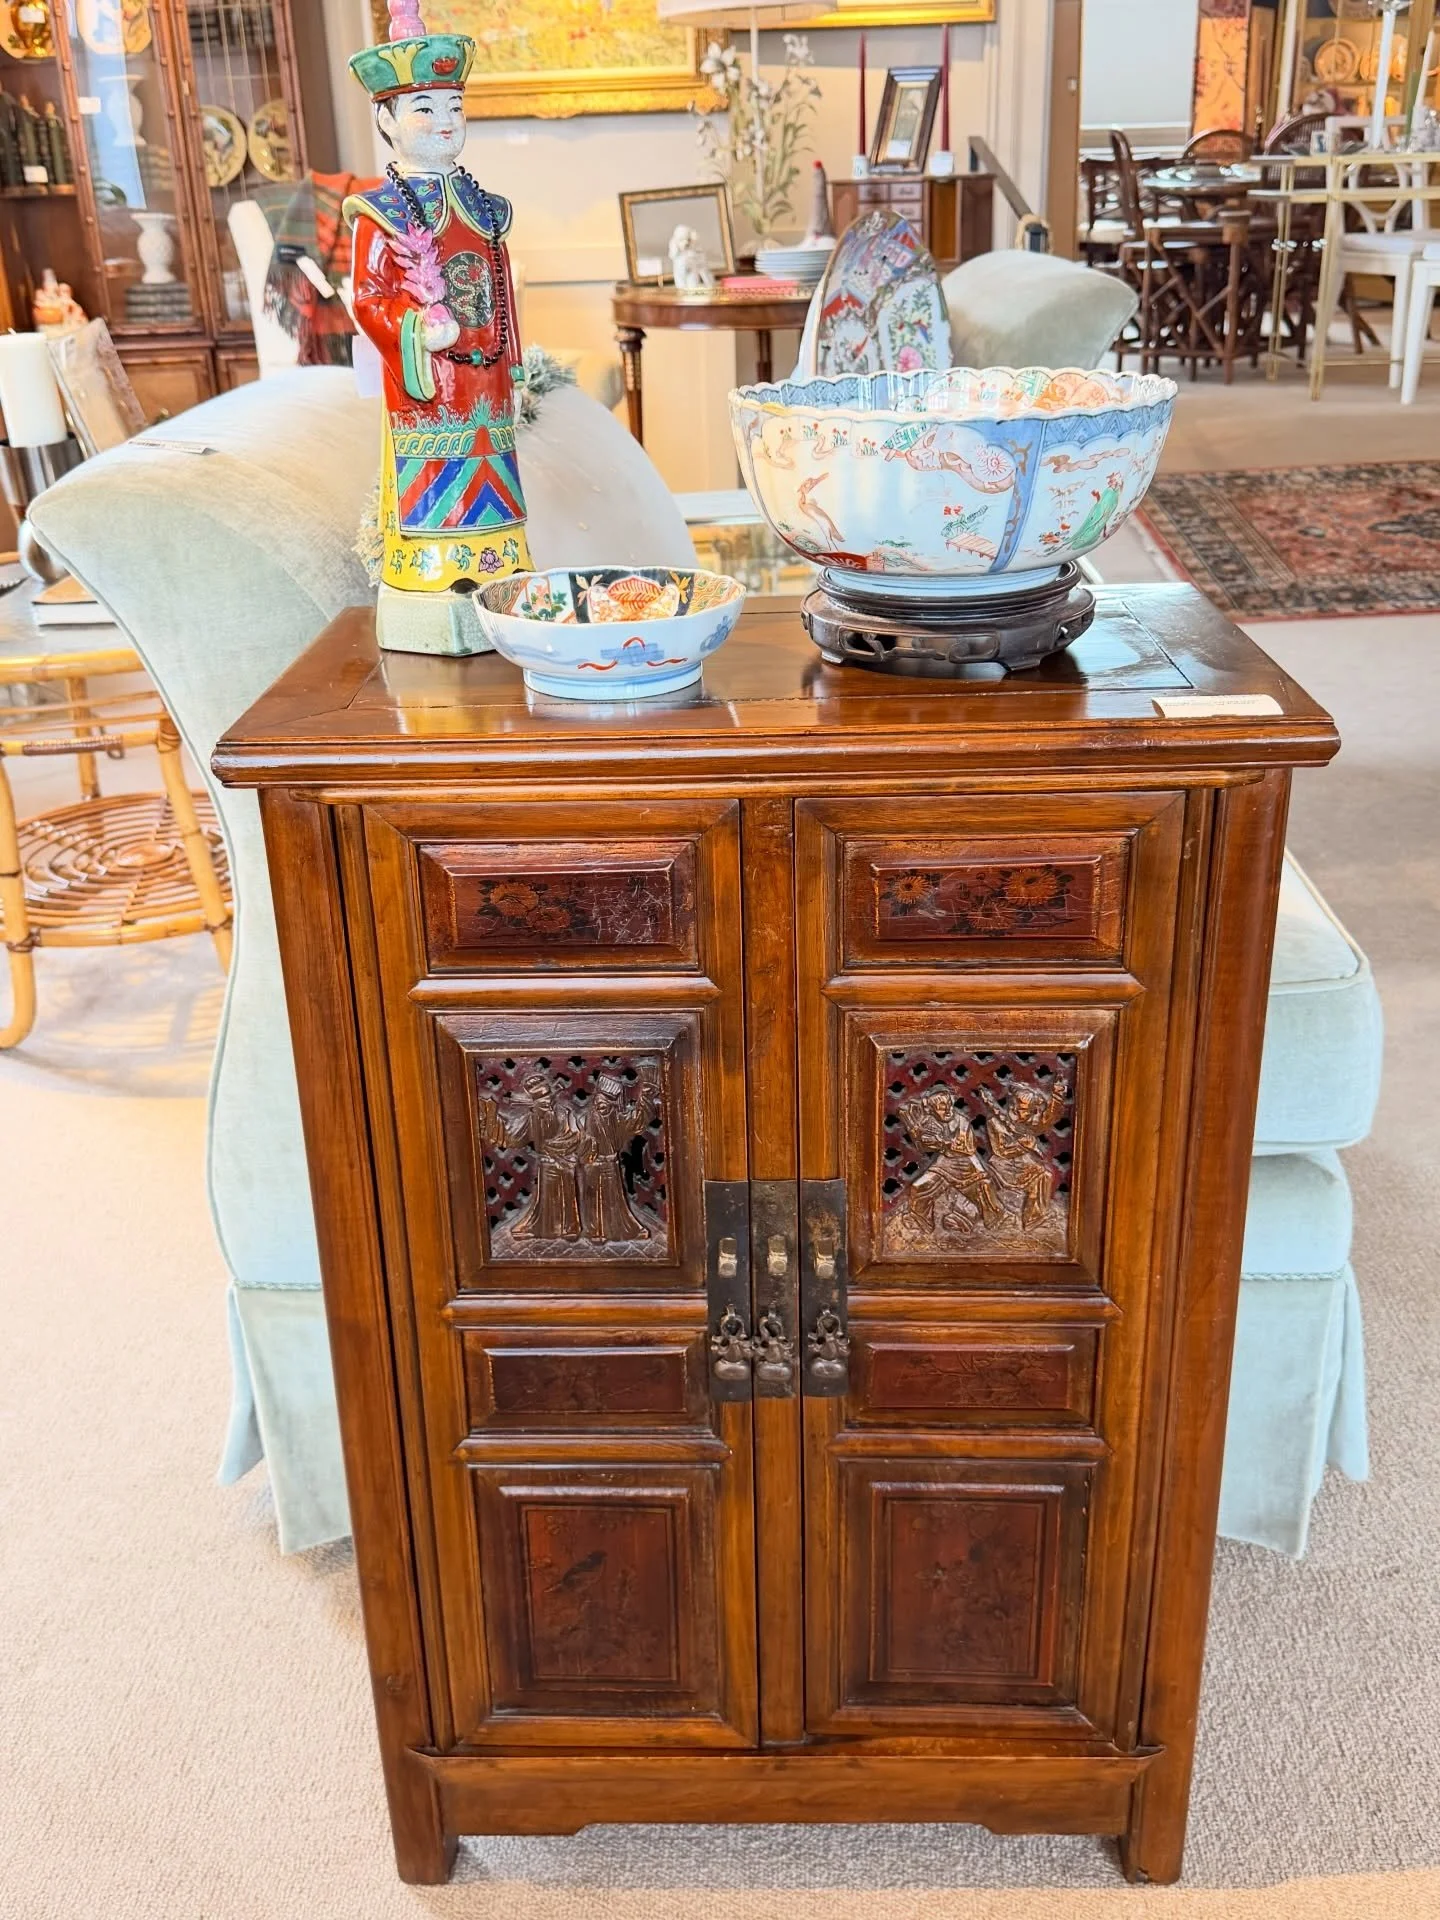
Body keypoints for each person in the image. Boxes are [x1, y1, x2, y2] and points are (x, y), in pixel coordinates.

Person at [347, 0, 530, 656]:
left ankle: (501, 570)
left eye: (455, 106)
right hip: (427, 389)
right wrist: (416, 332)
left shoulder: (486, 208)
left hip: (486, 381)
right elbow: (367, 297)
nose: (446, 121)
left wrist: (514, 365)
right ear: (386, 119)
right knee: (435, 479)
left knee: (492, 468)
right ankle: (429, 575)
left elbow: (502, 291)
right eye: (425, 108)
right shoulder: (380, 213)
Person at [477, 1070, 582, 1244]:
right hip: (547, 1164)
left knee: (567, 1196)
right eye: (541, 1101)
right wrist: (492, 1120)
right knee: (547, 1198)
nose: (546, 1103)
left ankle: (570, 1228)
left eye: (548, 1098)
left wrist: (560, 1147)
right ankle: (546, 1228)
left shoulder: (564, 1112)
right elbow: (514, 1137)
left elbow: (575, 1135)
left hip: (565, 1163)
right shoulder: (532, 1118)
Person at [895, 1089, 1006, 1240]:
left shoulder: (961, 1121)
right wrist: (923, 1139)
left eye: (949, 1105)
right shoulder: (930, 1123)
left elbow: (967, 1148)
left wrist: (943, 1142)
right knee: (919, 1187)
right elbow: (924, 1147)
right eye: (941, 1108)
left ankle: (993, 1222)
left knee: (984, 1188)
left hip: (966, 1164)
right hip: (945, 1163)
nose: (947, 1110)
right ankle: (921, 1222)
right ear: (932, 1110)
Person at [978, 1072, 1070, 1229]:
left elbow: (1050, 1117)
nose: (1029, 1114)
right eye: (1025, 1110)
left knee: (1044, 1175)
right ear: (1013, 1106)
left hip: (1024, 1164)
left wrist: (1058, 1093)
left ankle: (1033, 1218)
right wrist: (1023, 1146)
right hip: (1002, 1166)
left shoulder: (1029, 1120)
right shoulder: (995, 1122)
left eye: (1031, 1111)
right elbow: (1001, 1150)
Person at [577, 1068, 659, 1243]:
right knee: (592, 1199)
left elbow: (637, 1121)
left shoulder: (617, 1119)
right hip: (592, 1165)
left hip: (610, 1165)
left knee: (613, 1199)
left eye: (606, 1104)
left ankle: (617, 1230)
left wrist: (646, 1097)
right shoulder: (584, 1119)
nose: (601, 1106)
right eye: (599, 1102)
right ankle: (594, 1231)